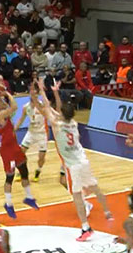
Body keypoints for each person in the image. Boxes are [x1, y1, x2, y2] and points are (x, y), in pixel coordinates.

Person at [37, 79, 112, 241]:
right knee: (95, 187)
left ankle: (86, 228)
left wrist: (42, 90)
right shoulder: (74, 123)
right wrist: (56, 92)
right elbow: (58, 110)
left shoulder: (56, 124)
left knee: (77, 196)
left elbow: (47, 107)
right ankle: (107, 212)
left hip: (73, 165)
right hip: (83, 160)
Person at [0, 91, 39, 218]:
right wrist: (6, 93)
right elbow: (15, 106)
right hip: (7, 151)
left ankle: (29, 197)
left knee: (24, 171)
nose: (3, 102)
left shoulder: (2, 111)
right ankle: (9, 204)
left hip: (14, 147)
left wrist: (3, 97)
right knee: (10, 178)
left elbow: (10, 107)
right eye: (0, 101)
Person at [14, 83, 49, 182]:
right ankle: (21, 171)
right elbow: (21, 119)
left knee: (41, 157)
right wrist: (14, 129)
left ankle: (38, 170)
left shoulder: (42, 105)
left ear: (37, 93)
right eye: (31, 91)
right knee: (21, 152)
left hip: (42, 133)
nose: (33, 93)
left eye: (34, 91)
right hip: (31, 132)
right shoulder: (26, 107)